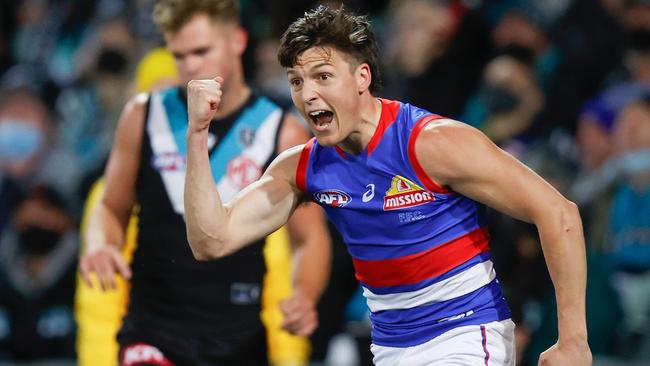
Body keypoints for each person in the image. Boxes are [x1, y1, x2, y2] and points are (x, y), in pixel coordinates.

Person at [184, 5, 592, 365]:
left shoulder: (431, 143)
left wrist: (573, 340)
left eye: (322, 76)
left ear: (362, 76)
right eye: (296, 81)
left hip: (465, 338)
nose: (308, 94)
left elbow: (559, 213)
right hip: (391, 349)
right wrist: (198, 134)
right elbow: (211, 240)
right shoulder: (304, 167)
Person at [78, 1, 331, 365]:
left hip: (238, 338)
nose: (190, 66)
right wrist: (102, 242)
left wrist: (304, 295)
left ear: (238, 41)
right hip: (152, 334)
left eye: (201, 51)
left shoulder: (278, 131)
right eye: (178, 55)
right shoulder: (143, 115)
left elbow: (310, 236)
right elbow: (110, 206)